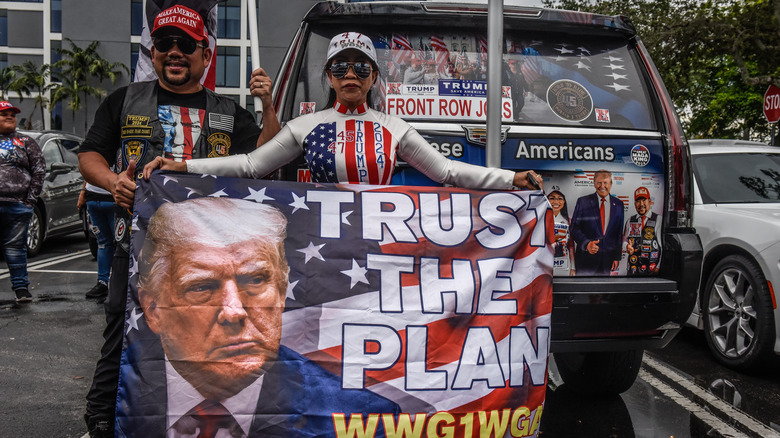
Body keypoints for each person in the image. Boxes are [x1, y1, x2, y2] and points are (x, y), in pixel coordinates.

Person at [77, 5, 281, 437]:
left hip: (210, 251)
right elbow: (89, 154)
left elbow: (263, 161)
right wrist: (114, 181)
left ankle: (193, 418)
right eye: (164, 44)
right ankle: (101, 414)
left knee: (195, 339)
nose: (174, 52)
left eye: (185, 45)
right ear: (153, 54)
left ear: (205, 56)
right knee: (121, 322)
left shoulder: (229, 111)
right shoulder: (124, 100)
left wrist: (266, 105)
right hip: (133, 241)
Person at [119, 197, 400, 437]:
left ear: (281, 292)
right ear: (154, 311)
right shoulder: (118, 393)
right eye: (202, 287)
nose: (234, 311)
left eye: (255, 280)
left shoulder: (363, 419)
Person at [143, 32, 543, 192]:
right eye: (340, 67)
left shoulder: (394, 128)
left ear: (373, 79)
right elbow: (250, 165)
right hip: (321, 245)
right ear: (329, 78)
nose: (350, 74)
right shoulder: (305, 126)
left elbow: (449, 173)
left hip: (380, 238)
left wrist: (513, 179)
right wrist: (184, 167)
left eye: (361, 68)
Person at [0, 100, 44, 303]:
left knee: (16, 248)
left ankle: (21, 289)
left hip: (18, 204)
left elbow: (39, 170)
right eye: (4, 114)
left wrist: (30, 201)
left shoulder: (26, 141)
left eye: (12, 114)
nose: (9, 116)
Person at [569, 170, 625, 275]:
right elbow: (574, 228)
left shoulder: (619, 205)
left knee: (603, 291)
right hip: (585, 260)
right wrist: (586, 244)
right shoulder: (583, 202)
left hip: (607, 261)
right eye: (599, 182)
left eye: (605, 183)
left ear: (611, 184)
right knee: (583, 290)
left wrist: (616, 257)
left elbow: (618, 233)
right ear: (594, 183)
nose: (602, 186)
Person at [78, 181, 115, 302]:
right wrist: (83, 192)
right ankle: (102, 282)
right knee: (103, 243)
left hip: (113, 198)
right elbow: (89, 168)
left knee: (121, 244)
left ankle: (121, 283)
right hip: (93, 198)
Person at [623, 186, 661, 276]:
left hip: (651, 269)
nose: (641, 204)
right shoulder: (630, 220)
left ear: (650, 201)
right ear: (635, 203)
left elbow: (662, 246)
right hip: (633, 269)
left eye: (644, 200)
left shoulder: (658, 219)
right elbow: (624, 240)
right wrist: (626, 247)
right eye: (638, 201)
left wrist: (659, 266)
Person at [548, 188, 575, 276]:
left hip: (563, 263)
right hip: (545, 262)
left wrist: (572, 267)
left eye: (560, 198)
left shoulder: (569, 221)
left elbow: (571, 246)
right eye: (552, 198)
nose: (556, 201)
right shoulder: (539, 219)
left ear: (564, 202)